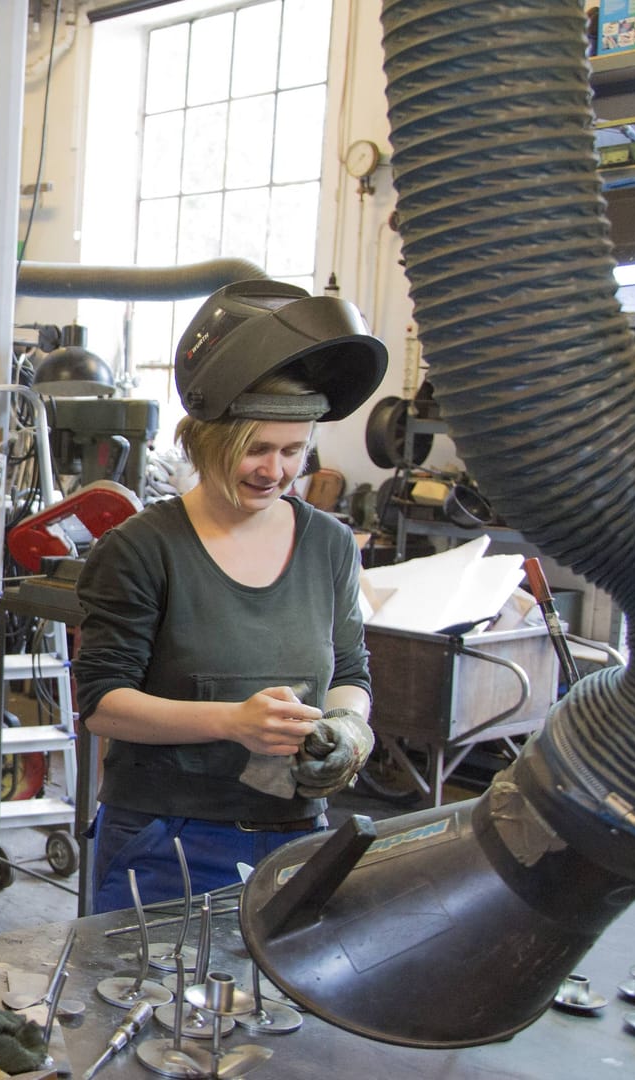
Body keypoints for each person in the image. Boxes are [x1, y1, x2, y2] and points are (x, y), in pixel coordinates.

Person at [72, 280, 388, 912]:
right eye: (257, 450)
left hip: (295, 836)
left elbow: (350, 671)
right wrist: (232, 723)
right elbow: (102, 705)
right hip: (165, 841)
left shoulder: (328, 544)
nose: (274, 470)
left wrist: (350, 726)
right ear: (210, 443)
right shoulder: (143, 548)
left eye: (293, 451)